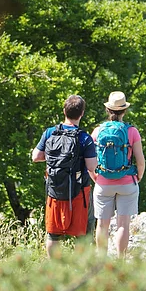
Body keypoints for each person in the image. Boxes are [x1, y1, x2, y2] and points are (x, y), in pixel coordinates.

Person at [32, 95, 97, 255]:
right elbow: (91, 166)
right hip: (79, 191)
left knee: (53, 235)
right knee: (83, 234)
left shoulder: (49, 133)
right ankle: (80, 269)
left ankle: (54, 270)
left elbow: (36, 157)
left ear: (64, 111)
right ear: (81, 113)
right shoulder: (84, 138)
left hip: (54, 190)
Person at [92, 91, 145, 256]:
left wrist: (95, 177)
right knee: (123, 224)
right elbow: (140, 160)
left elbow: (89, 160)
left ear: (108, 110)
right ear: (124, 111)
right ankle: (120, 262)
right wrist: (138, 177)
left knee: (102, 225)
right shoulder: (132, 132)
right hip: (127, 182)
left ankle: (100, 263)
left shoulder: (98, 131)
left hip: (103, 183)